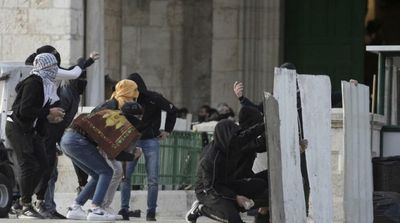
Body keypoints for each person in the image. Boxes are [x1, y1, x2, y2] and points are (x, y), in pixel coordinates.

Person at [61, 98, 143, 221]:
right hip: (78, 141)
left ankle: (75, 207)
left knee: (96, 174)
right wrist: (133, 156)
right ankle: (95, 209)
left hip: (66, 140)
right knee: (107, 172)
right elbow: (114, 152)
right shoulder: (119, 121)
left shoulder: (109, 113)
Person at [6, 53, 65, 219]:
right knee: (28, 164)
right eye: (52, 68)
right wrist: (48, 112)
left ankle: (21, 202)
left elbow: (38, 111)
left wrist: (51, 117)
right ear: (44, 68)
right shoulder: (33, 83)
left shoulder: (46, 85)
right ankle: (25, 205)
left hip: (29, 129)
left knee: (44, 163)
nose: (55, 71)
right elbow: (24, 110)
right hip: (17, 127)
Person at [185, 119, 268, 223]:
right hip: (208, 191)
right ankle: (201, 209)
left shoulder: (234, 142)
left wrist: (265, 124)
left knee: (260, 185)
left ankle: (232, 207)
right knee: (233, 219)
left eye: (237, 135)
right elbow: (212, 187)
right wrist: (235, 197)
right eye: (234, 136)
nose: (237, 139)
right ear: (225, 137)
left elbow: (248, 134)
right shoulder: (210, 159)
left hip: (227, 184)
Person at [119, 72, 177, 221]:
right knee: (125, 176)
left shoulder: (154, 98)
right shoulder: (126, 99)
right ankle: (124, 209)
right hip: (132, 140)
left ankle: (151, 211)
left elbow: (172, 110)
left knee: (152, 178)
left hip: (151, 140)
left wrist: (167, 131)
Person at [91, 79, 143, 220]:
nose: (134, 96)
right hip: (99, 143)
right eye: (132, 92)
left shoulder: (122, 105)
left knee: (116, 172)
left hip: (107, 144)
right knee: (111, 172)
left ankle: (103, 205)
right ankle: (98, 206)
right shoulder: (112, 105)